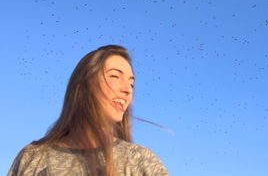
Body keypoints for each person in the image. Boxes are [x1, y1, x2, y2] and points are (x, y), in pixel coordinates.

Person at [7, 45, 170, 176]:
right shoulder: (33, 156)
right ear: (85, 84)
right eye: (114, 76)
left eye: (131, 83)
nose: (127, 89)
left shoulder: (140, 160)